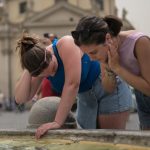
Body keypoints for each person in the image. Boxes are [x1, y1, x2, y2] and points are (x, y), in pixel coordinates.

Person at [15, 32, 132, 139]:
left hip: (107, 88)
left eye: (53, 67)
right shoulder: (41, 66)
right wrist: (28, 69)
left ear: (49, 53)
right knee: (91, 142)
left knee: (110, 140)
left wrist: (57, 122)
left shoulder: (66, 44)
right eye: (43, 74)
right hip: (87, 98)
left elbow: (72, 84)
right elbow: (21, 98)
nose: (50, 74)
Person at [72, 15, 150, 130]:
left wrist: (117, 68)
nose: (92, 58)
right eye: (87, 54)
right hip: (143, 100)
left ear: (108, 38)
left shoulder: (139, 42)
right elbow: (109, 88)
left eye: (93, 52)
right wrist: (108, 66)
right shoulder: (105, 52)